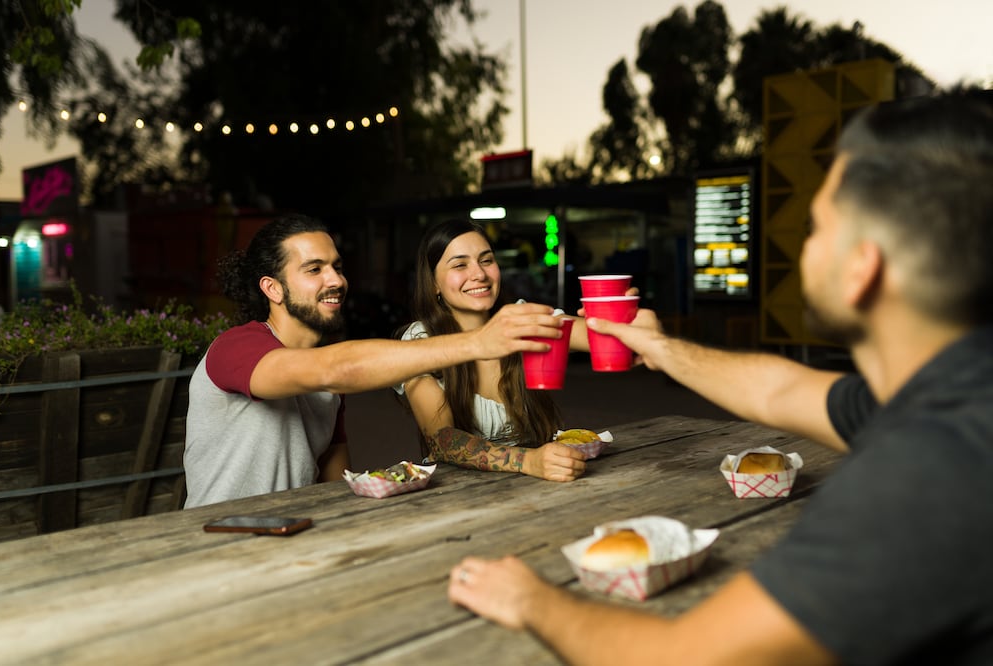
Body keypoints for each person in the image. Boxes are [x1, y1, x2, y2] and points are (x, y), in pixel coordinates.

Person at [447, 93, 993, 664]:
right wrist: (660, 348)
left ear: (863, 267)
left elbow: (681, 657)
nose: (803, 246)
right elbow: (779, 390)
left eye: (817, 227)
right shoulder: (946, 395)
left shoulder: (928, 474)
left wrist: (533, 600)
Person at [184, 214, 565, 507]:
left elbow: (333, 477)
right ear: (272, 288)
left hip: (290, 535)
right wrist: (478, 343)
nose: (335, 280)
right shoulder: (236, 348)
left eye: (337, 266)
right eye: (314, 270)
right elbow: (336, 370)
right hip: (220, 539)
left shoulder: (328, 384)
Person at [394, 219, 591, 482]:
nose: (479, 274)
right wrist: (528, 461)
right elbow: (442, 440)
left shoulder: (522, 318)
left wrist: (617, 315)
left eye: (486, 260)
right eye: (460, 265)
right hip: (458, 492)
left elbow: (602, 339)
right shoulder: (421, 340)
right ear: (434, 284)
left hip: (543, 479)